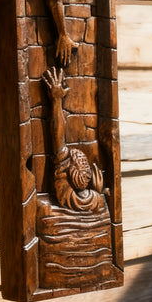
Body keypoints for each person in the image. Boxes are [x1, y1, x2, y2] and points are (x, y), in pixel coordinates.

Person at [41, 66, 108, 213]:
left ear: (69, 171)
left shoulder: (65, 192)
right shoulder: (97, 200)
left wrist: (56, 101)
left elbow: (58, 137)